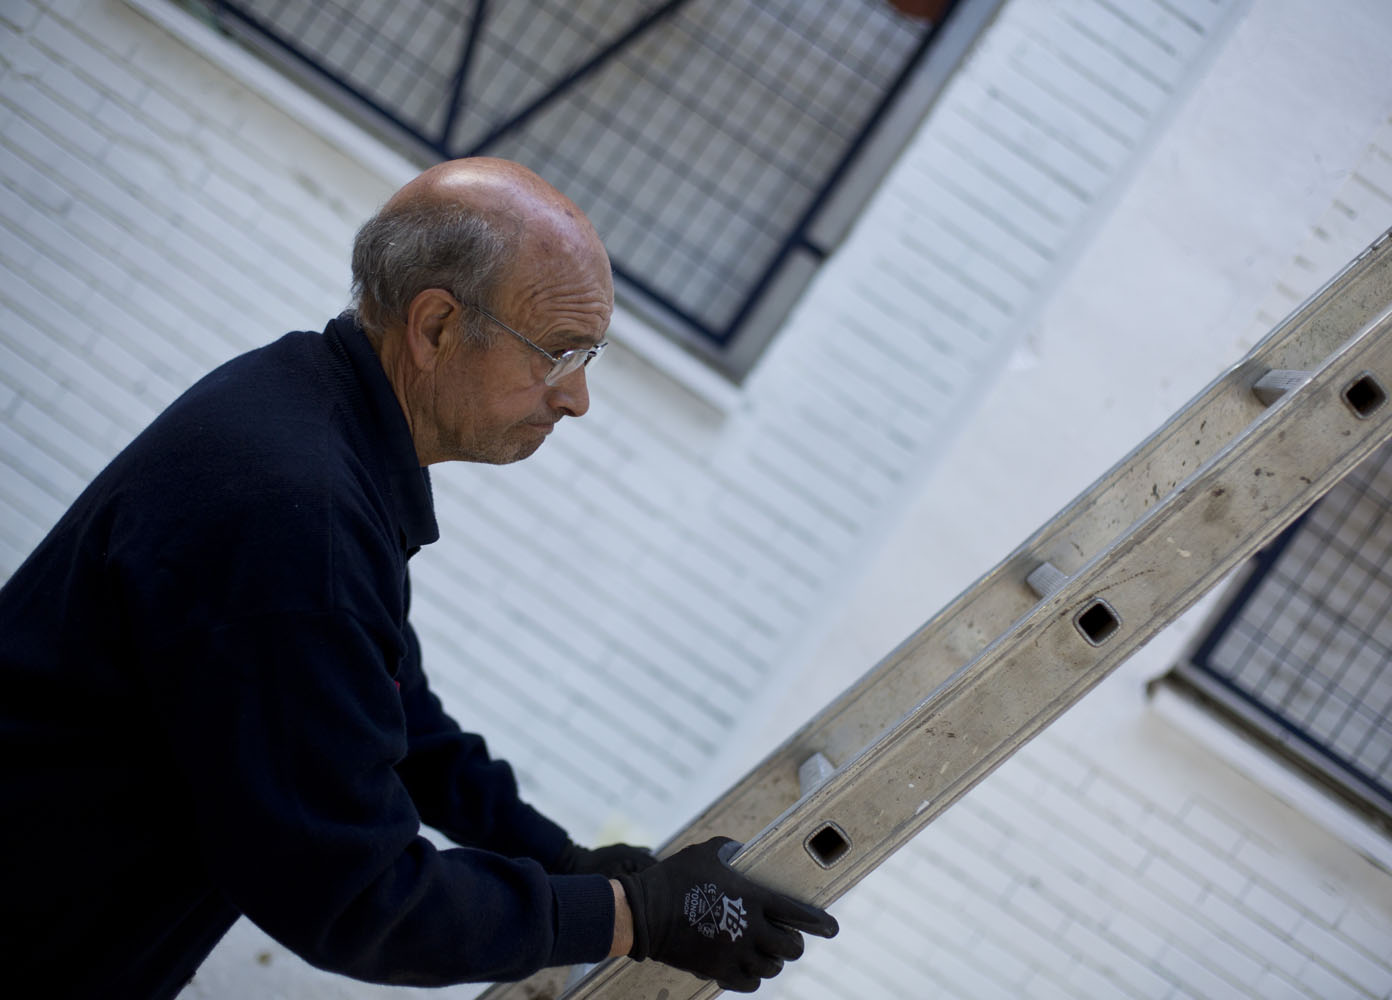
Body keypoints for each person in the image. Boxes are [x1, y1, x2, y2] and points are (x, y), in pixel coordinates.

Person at [0, 158, 836, 997]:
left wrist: (564, 861)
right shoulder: (301, 516)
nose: (578, 397)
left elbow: (394, 715)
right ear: (435, 327)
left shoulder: (313, 414)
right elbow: (358, 898)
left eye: (591, 355)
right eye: (558, 353)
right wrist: (630, 917)